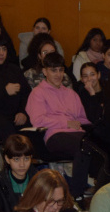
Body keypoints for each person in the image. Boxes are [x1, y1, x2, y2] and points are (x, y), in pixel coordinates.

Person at [25, 53, 92, 196]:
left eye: (61, 70)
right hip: (54, 135)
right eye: (53, 70)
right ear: (45, 71)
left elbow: (83, 119)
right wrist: (66, 122)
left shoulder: (71, 94)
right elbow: (37, 120)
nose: (58, 74)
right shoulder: (38, 93)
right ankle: (77, 194)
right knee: (84, 145)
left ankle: (97, 189)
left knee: (100, 143)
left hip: (77, 134)